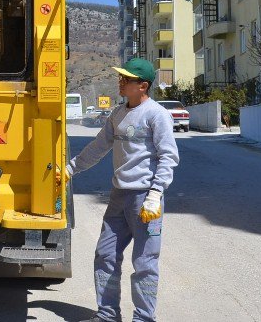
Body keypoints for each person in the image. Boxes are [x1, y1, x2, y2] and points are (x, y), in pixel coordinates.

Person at [65, 57, 180, 322]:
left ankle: (143, 318)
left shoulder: (156, 114)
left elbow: (168, 157)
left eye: (127, 79)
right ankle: (107, 315)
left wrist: (155, 193)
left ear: (143, 86)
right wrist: (72, 168)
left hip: (145, 199)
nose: (121, 82)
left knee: (144, 263)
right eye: (121, 77)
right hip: (119, 196)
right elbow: (99, 146)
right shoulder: (118, 113)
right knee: (105, 255)